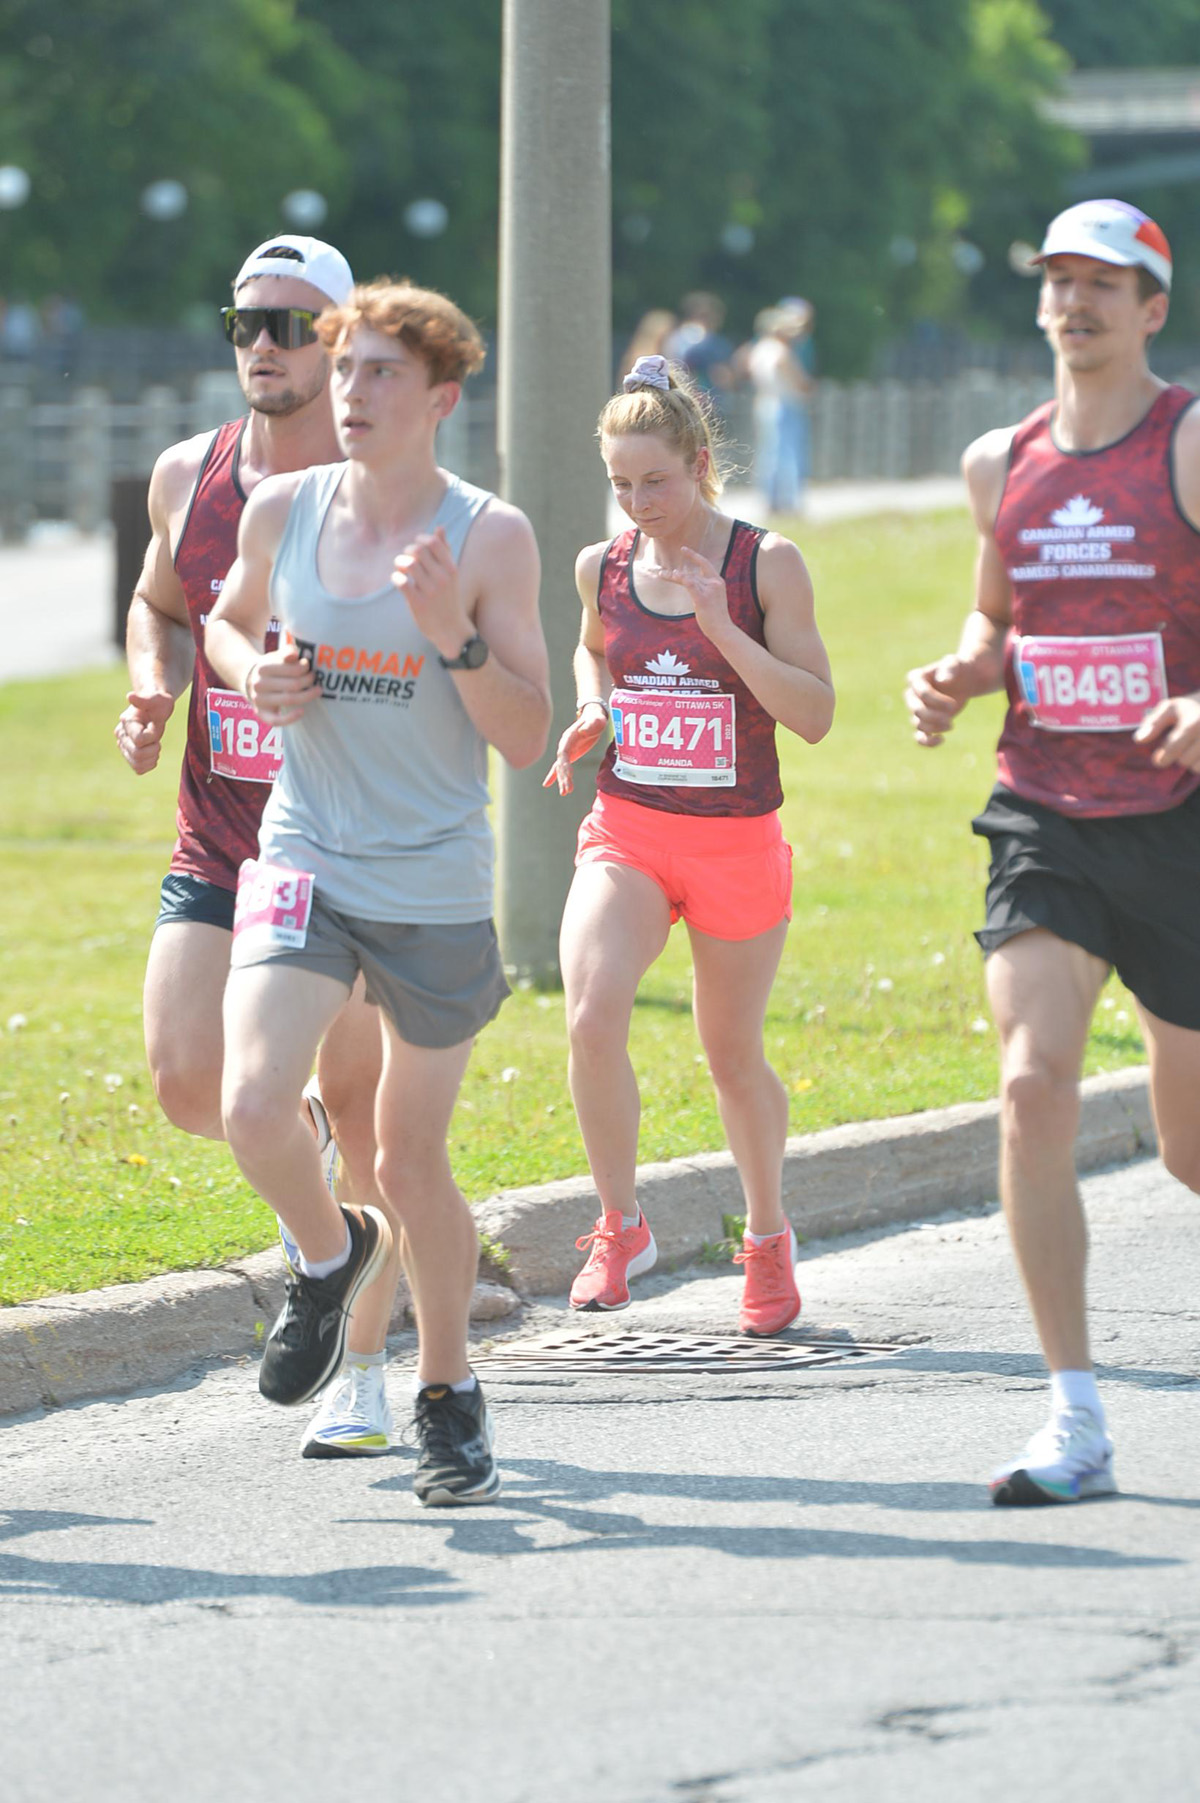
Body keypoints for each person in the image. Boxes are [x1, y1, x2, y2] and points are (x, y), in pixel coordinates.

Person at [205, 278, 551, 1505]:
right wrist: (256, 676)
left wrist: (452, 633)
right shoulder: (283, 506)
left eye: (380, 375)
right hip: (306, 854)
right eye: (343, 370)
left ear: (441, 397)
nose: (350, 394)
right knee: (254, 1103)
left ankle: (448, 1390)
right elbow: (225, 626)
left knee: (409, 1160)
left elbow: (524, 735)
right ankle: (326, 1253)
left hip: (432, 881)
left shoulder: (489, 534)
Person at [904, 199, 1200, 1506]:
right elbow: (995, 619)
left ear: (1153, 307)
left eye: (1104, 284)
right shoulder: (1001, 463)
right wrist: (961, 674)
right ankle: (1075, 1412)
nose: (1074, 303)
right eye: (1058, 281)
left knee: (1191, 1151)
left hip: (1181, 822)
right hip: (1047, 815)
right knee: (1032, 1086)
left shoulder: (1189, 443)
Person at [113, 234, 394, 1459]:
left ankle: (369, 1376)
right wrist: (150, 689)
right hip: (222, 838)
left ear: (343, 340)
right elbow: (158, 606)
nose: (265, 347)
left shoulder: (387, 486)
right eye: (247, 324)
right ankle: (320, 1219)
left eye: (293, 325)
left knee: (362, 1109)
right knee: (189, 1082)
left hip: (352, 851)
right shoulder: (191, 473)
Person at [544, 353, 834, 1332]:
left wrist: (723, 626)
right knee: (590, 1013)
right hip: (627, 827)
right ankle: (620, 1224)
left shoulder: (765, 563)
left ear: (700, 463)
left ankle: (764, 1235)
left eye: (655, 482)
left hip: (736, 843)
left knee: (730, 1054)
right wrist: (594, 711)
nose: (637, 504)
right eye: (620, 485)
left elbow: (816, 715)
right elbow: (595, 647)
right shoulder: (605, 565)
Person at [742, 299, 815, 518]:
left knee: (769, 454)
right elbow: (800, 381)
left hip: (765, 401)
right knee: (789, 455)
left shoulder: (759, 349)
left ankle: (770, 500)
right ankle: (790, 501)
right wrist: (807, 387)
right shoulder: (781, 351)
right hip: (786, 403)